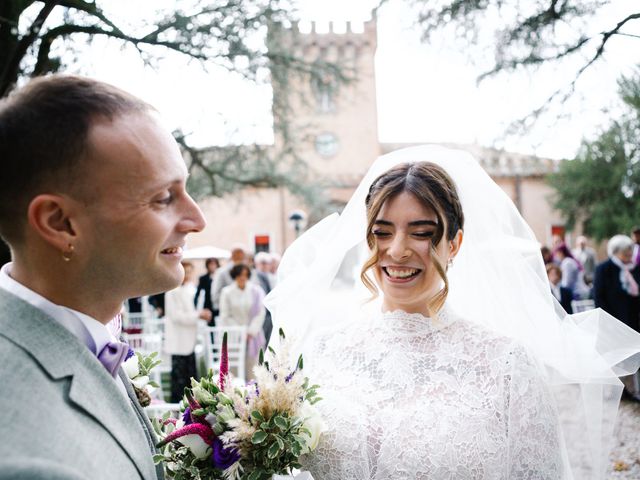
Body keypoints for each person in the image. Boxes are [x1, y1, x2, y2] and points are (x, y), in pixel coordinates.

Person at [266, 145, 640, 479]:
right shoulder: (321, 352)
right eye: (382, 232)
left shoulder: (507, 365)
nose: (397, 250)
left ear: (454, 244)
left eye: (421, 232)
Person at [0, 75, 206, 478]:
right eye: (164, 197)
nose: (197, 220)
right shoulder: (28, 459)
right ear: (61, 223)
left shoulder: (80, 337)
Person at [164, 261, 212, 403]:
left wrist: (200, 314)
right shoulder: (172, 291)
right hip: (179, 343)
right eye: (186, 271)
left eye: (191, 271)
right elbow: (177, 316)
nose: (189, 275)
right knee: (179, 385)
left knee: (191, 383)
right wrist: (198, 315)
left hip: (190, 342)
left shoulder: (189, 290)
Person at [219, 264, 266, 379]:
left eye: (245, 275)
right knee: (235, 371)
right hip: (234, 336)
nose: (242, 277)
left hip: (253, 335)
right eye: (240, 275)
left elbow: (261, 312)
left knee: (254, 369)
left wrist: (250, 331)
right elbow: (225, 315)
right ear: (235, 276)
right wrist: (241, 331)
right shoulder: (227, 292)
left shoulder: (256, 291)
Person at [211, 245, 246, 316]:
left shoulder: (248, 271)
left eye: (241, 255)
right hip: (228, 313)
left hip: (245, 312)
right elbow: (215, 295)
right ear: (232, 255)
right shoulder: (222, 273)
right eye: (237, 254)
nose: (240, 257)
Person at [254, 251, 274, 343]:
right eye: (262, 263)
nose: (265, 266)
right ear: (257, 264)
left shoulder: (272, 277)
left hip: (270, 313)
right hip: (260, 313)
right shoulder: (254, 276)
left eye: (266, 263)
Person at [195, 257, 220, 324]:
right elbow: (198, 293)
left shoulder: (220, 278)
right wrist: (195, 306)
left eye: (214, 264)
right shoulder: (203, 278)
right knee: (210, 325)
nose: (212, 266)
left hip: (219, 305)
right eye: (210, 264)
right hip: (208, 305)